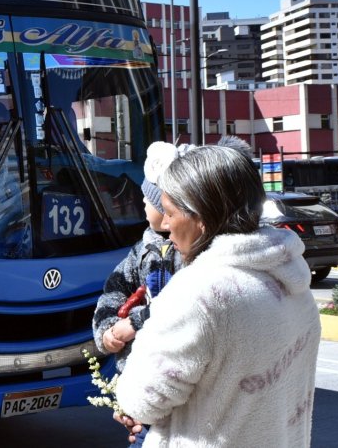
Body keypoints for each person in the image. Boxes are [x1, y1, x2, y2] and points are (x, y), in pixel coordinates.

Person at [114, 144, 321, 447]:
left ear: (200, 218)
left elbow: (140, 400)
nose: (166, 225)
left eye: (170, 212)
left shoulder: (196, 293)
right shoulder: (293, 281)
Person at [92, 141, 188, 447]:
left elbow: (179, 308)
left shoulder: (188, 253)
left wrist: (134, 323)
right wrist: (107, 330)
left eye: (150, 198)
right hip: (142, 384)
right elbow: (114, 289)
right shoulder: (142, 249)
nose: (143, 202)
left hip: (169, 386)